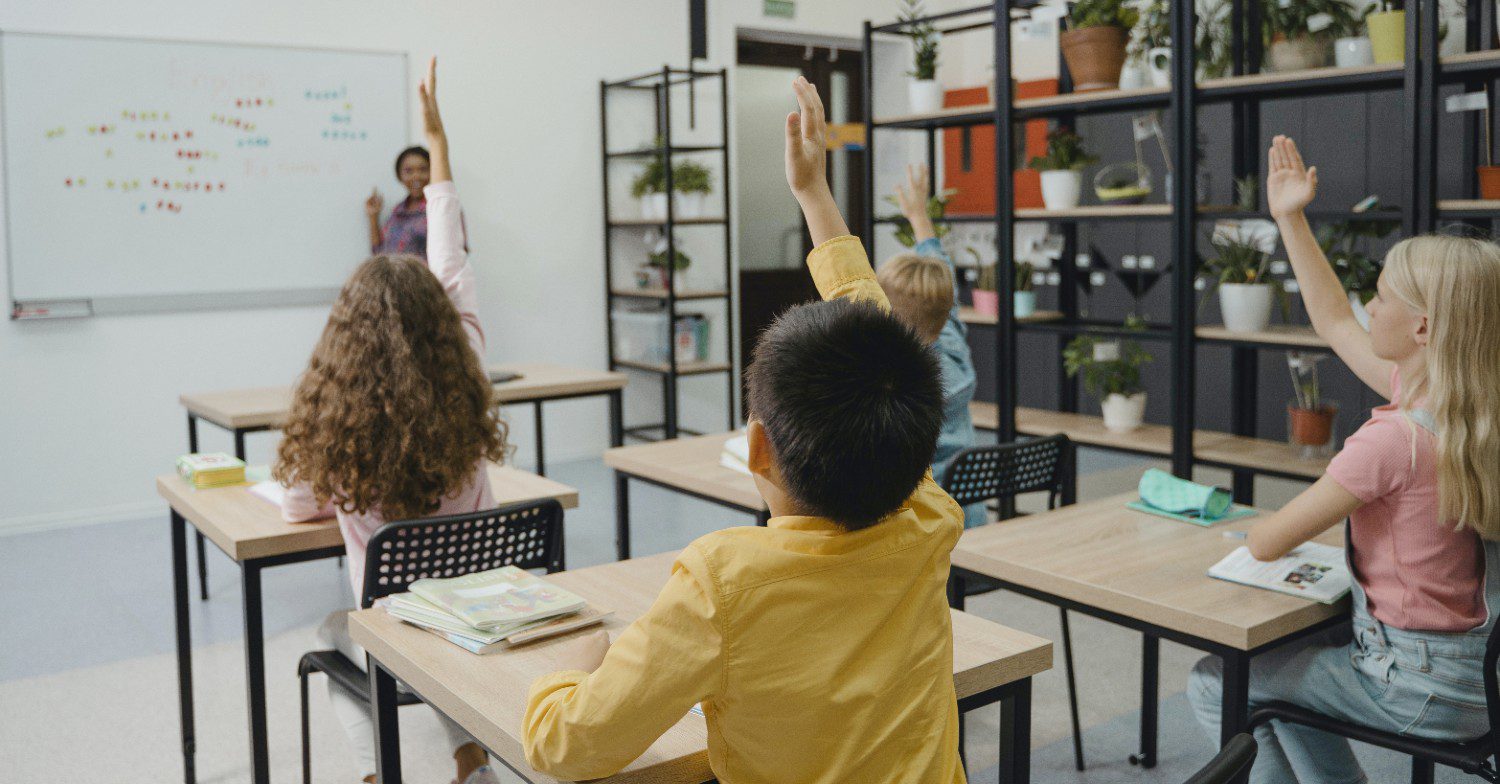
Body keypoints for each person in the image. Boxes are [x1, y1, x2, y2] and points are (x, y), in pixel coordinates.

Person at [520, 76, 967, 784]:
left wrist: (570, 664)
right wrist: (815, 195)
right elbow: (876, 326)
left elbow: (563, 746)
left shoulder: (720, 583)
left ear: (756, 447)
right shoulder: (925, 513)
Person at [1186, 135, 1500, 784]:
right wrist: (1290, 218)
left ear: (1421, 329)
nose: (1370, 306)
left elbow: (1270, 541)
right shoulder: (1462, 408)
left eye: (1382, 295)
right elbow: (1333, 321)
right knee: (1281, 689)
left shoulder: (1394, 440)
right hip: (1472, 680)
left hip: (1412, 687)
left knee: (1221, 681)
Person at [274, 57, 506, 784]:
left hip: (400, 623)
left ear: (345, 335)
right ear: (445, 320)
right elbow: (451, 253)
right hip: (480, 608)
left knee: (342, 633)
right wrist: (439, 143)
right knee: (435, 629)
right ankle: (471, 758)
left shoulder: (335, 426)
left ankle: (378, 775)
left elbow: (295, 506)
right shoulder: (465, 363)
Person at [882, 162, 984, 528]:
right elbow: (944, 282)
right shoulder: (951, 339)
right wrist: (918, 215)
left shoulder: (897, 384)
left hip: (923, 533)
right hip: (969, 518)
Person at [365, 146, 432, 256]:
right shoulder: (398, 211)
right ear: (399, 175)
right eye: (409, 171)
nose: (416, 176)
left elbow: (454, 255)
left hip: (424, 274)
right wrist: (373, 217)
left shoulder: (441, 208)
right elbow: (379, 253)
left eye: (423, 169)